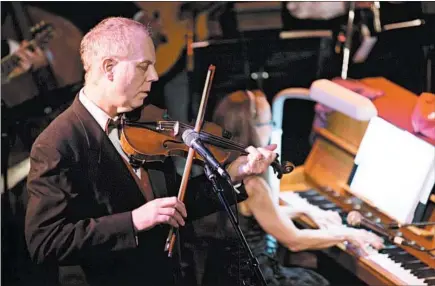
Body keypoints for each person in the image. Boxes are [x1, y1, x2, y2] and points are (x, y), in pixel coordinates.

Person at [24, 17, 278, 286]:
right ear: (109, 68)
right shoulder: (58, 142)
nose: (155, 77)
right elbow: (44, 242)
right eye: (144, 67)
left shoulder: (146, 122)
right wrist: (134, 221)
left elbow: (173, 206)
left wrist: (234, 174)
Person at [190, 89, 384, 286]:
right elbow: (295, 240)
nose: (272, 129)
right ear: (252, 128)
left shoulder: (218, 171)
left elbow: (259, 215)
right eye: (269, 123)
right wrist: (348, 234)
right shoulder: (253, 184)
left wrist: (304, 210)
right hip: (255, 279)